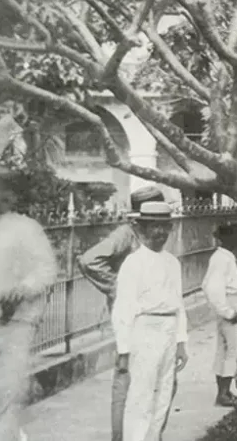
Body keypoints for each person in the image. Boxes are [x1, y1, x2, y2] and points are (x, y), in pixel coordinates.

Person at [78, 185, 169, 441]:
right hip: (131, 320)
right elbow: (89, 260)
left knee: (153, 383)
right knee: (126, 380)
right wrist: (118, 287)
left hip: (153, 320)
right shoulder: (125, 234)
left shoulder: (151, 239)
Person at [113, 201, 190, 440]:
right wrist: (124, 349)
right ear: (143, 229)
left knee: (164, 392)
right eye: (154, 228)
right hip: (144, 330)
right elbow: (123, 309)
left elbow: (179, 304)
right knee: (141, 395)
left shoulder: (172, 262)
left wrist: (181, 342)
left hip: (168, 330)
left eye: (164, 228)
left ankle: (154, 436)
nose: (160, 234)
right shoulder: (133, 263)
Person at [0, 177, 60, 441]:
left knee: (8, 394)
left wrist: (22, 288)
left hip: (14, 324)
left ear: (9, 196)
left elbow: (47, 270)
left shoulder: (25, 229)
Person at [200, 222, 237, 407]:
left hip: (229, 302)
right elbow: (211, 287)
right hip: (228, 303)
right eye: (236, 236)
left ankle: (224, 392)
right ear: (226, 238)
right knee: (231, 350)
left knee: (224, 349)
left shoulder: (225, 257)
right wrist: (227, 311)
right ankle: (224, 393)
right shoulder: (222, 259)